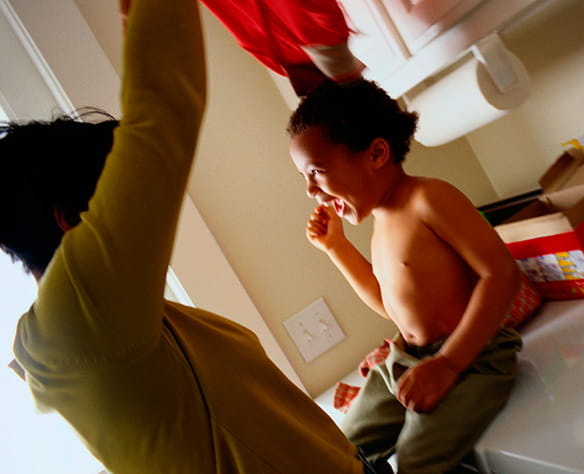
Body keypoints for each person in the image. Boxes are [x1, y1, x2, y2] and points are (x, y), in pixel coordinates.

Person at [2, 0, 365, 472]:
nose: (140, 209)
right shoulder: (82, 316)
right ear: (69, 218)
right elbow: (162, 116)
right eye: (116, 196)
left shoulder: (101, 320)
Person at [287, 79, 523, 473]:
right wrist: (337, 248)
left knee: (415, 460)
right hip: (406, 358)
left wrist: (448, 363)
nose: (311, 189)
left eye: (318, 171)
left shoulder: (429, 199)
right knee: (337, 451)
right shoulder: (382, 222)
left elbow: (501, 273)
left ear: (376, 153)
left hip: (473, 356)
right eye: (305, 178)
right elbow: (388, 305)